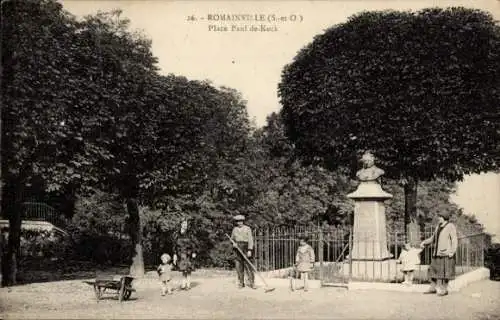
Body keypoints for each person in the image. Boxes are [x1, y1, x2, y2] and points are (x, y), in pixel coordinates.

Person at [420, 211, 458, 296]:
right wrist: (424, 242)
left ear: (444, 218)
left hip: (446, 253)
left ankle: (444, 290)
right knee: (433, 270)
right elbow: (433, 238)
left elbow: (454, 240)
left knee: (445, 273)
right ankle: (432, 288)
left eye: (440, 217)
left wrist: (452, 251)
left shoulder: (450, 226)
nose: (438, 218)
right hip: (436, 252)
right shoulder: (438, 226)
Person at [230, 214, 256, 289]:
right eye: (238, 221)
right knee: (239, 266)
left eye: (241, 221)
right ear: (236, 222)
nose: (239, 223)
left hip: (246, 247)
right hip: (237, 248)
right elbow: (232, 239)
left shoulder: (247, 228)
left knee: (249, 266)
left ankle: (252, 283)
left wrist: (249, 250)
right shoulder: (234, 229)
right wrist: (233, 244)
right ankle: (241, 283)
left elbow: (250, 240)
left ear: (243, 221)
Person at [173, 219, 197, 290]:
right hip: (180, 253)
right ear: (181, 224)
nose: (185, 225)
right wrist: (175, 254)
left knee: (188, 269)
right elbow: (174, 245)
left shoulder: (190, 233)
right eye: (183, 223)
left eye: (186, 223)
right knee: (183, 269)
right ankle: (183, 285)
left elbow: (194, 243)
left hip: (188, 253)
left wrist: (194, 252)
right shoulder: (176, 233)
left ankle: (188, 285)